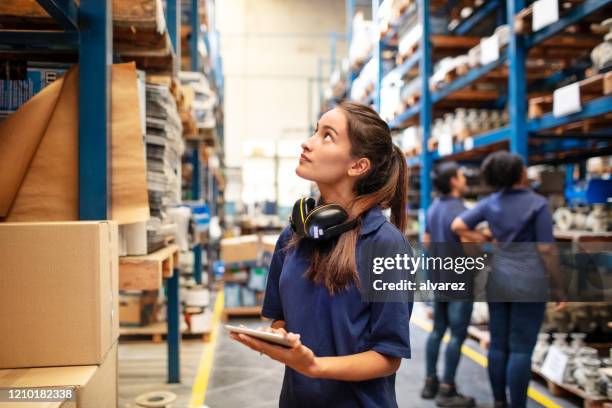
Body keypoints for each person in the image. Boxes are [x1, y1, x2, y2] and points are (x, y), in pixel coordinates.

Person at [230, 101, 413, 407]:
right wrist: (280, 339)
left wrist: (314, 366)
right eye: (315, 131)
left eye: (327, 136)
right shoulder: (294, 235)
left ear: (358, 166)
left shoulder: (385, 245)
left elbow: (387, 356)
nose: (307, 142)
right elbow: (282, 321)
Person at [450, 151, 564, 408]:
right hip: (530, 281)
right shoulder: (537, 204)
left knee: (498, 345)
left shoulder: (491, 203)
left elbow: (457, 225)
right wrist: (559, 287)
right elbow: (547, 249)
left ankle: (499, 402)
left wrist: (485, 238)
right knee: (521, 349)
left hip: (498, 279)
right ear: (519, 173)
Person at [420, 162, 479, 408]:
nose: (465, 179)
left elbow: (426, 240)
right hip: (460, 281)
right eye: (462, 176)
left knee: (437, 331)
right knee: (457, 334)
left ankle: (430, 382)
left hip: (439, 279)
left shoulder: (433, 208)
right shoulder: (463, 211)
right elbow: (469, 247)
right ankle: (448, 388)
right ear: (454, 181)